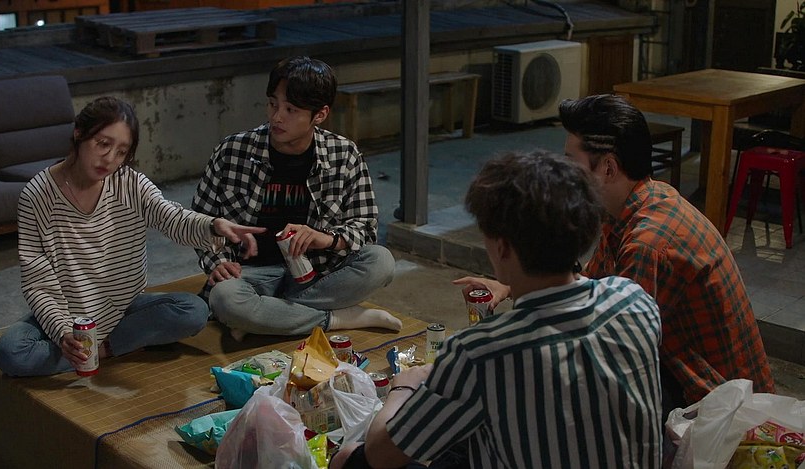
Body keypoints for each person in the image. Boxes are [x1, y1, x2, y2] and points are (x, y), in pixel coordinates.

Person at [333, 151, 663, 469]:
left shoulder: (481, 352)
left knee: (350, 457)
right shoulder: (634, 302)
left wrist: (404, 387)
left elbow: (380, 454)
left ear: (502, 247)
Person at [455, 94, 775, 416]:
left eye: (571, 162)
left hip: (722, 408)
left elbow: (606, 344)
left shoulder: (648, 243)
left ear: (608, 167)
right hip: (685, 376)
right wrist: (511, 286)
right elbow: (588, 284)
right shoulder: (637, 202)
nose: (564, 174)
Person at [0, 96, 264, 377]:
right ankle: (108, 346)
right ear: (79, 133)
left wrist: (213, 225)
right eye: (103, 144)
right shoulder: (37, 196)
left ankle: (101, 351)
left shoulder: (130, 184)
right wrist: (62, 333)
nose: (110, 159)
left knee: (193, 310)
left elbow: (171, 217)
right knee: (11, 352)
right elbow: (38, 281)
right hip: (67, 312)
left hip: (121, 307)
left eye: (121, 152)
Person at [191, 56, 400, 340]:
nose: (277, 117)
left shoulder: (344, 154)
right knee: (224, 297)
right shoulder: (233, 151)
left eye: (291, 109)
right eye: (273, 104)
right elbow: (201, 220)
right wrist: (218, 263)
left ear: (320, 115)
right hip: (251, 275)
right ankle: (338, 318)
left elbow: (365, 228)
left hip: (318, 274)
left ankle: (267, 316)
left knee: (381, 262)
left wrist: (324, 238)